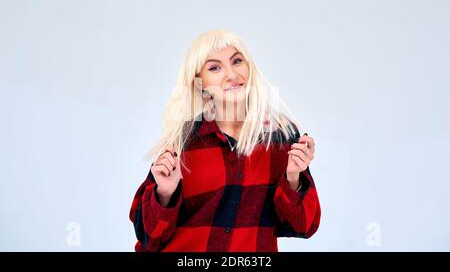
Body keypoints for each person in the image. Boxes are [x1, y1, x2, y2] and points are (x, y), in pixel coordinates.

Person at [129, 29, 321, 251]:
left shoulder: (282, 137)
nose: (231, 74)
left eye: (237, 61)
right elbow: (149, 238)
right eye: (215, 68)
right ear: (200, 83)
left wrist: (293, 177)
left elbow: (304, 227)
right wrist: (164, 194)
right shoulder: (182, 142)